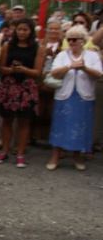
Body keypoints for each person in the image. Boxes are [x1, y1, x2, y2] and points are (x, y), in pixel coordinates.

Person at [46, 25, 103, 171]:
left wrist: (84, 68)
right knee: (60, 126)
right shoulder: (62, 55)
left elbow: (99, 74)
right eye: (69, 39)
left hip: (84, 97)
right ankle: (55, 155)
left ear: (83, 41)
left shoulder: (92, 56)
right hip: (64, 96)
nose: (71, 42)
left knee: (80, 127)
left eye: (74, 39)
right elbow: (55, 73)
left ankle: (77, 156)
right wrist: (69, 67)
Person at [0, 18, 44, 168]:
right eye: (19, 29)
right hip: (9, 86)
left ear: (31, 31)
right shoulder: (8, 45)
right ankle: (5, 151)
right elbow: (1, 67)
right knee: (6, 120)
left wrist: (24, 70)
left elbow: (37, 71)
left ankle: (20, 153)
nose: (22, 32)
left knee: (24, 122)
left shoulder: (37, 48)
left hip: (27, 88)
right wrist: (12, 70)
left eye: (25, 30)